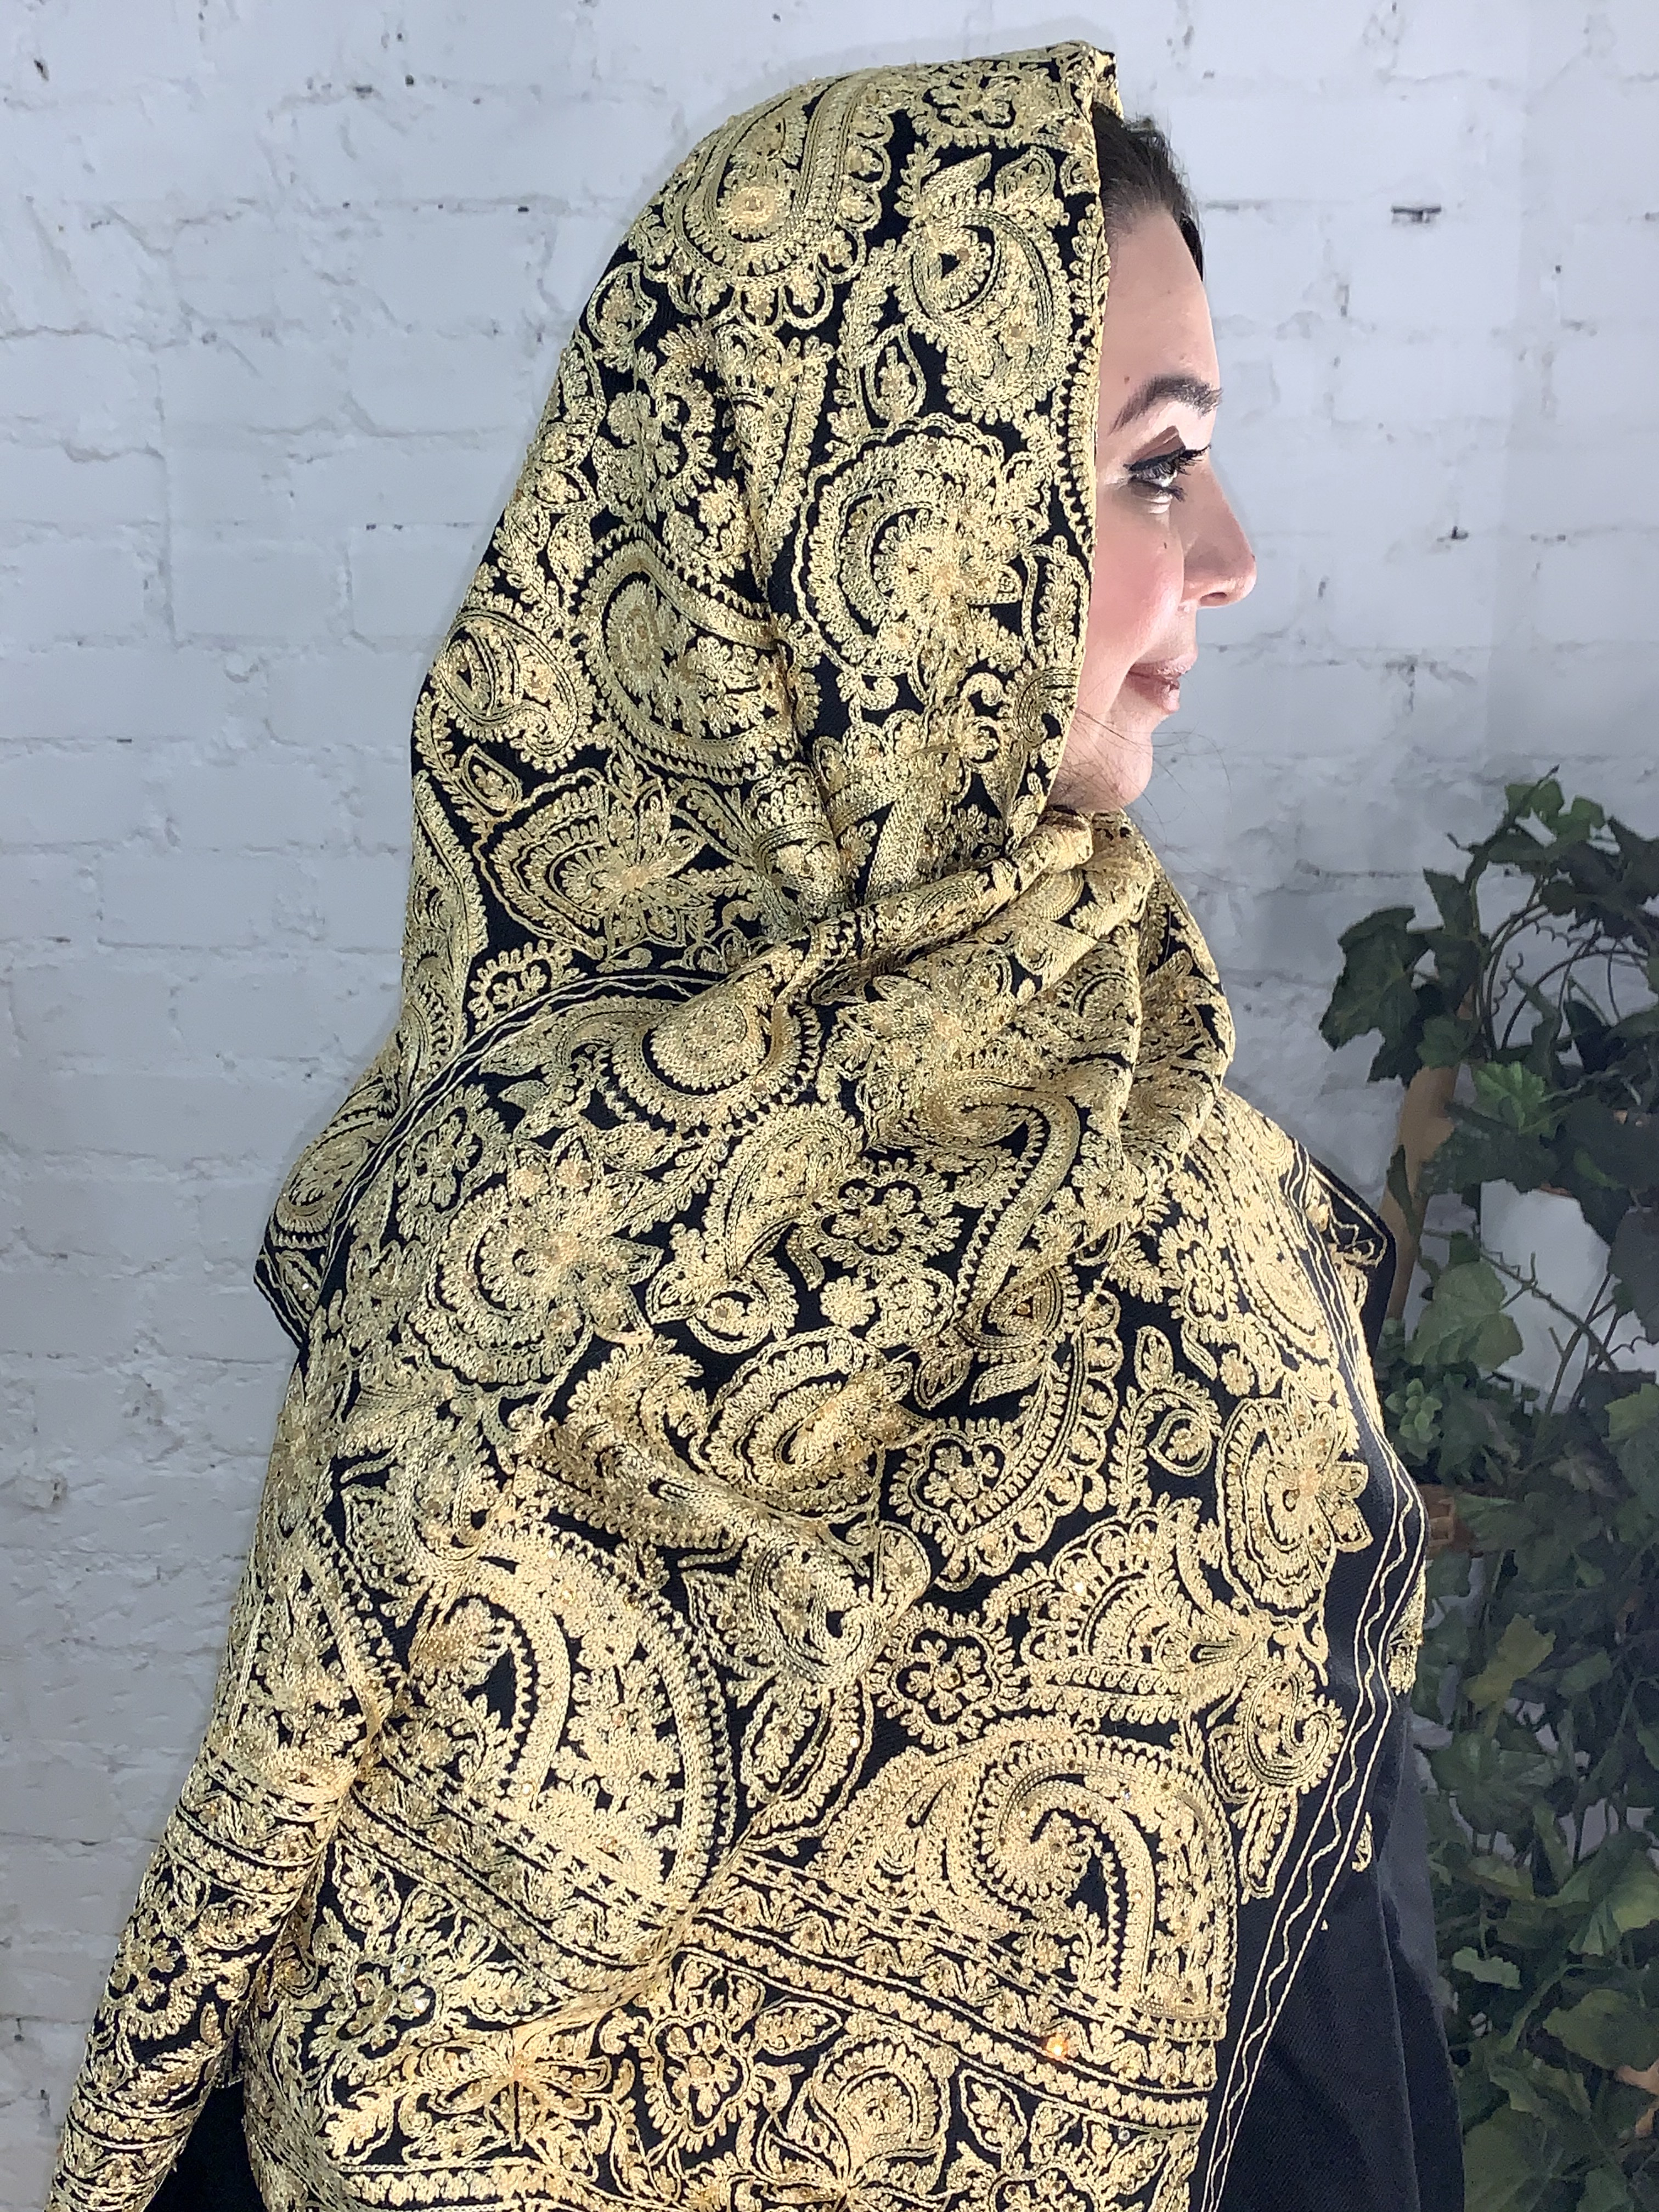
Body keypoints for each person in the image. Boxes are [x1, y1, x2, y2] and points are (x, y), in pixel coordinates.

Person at [47, 42, 1461, 2212]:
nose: (1235, 559)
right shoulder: (510, 1210)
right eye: (1153, 470)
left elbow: (1323, 1971)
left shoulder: (1152, 1121)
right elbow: (369, 2023)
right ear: (889, 535)